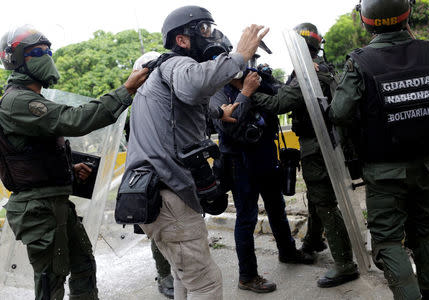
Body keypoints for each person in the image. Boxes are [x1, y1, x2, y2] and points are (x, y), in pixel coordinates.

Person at [125, 5, 268, 299]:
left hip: (154, 196)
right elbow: (193, 87)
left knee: (184, 278)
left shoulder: (158, 79)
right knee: (206, 283)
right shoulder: (174, 65)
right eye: (204, 29)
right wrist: (239, 55)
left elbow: (186, 109)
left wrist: (220, 112)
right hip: (168, 197)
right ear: (182, 39)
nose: (211, 35)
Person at [0, 25, 148, 300]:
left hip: (56, 202)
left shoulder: (32, 99)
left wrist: (69, 169)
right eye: (36, 52)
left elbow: (35, 151)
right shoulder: (18, 101)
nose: (46, 56)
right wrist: (126, 89)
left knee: (83, 266)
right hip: (39, 209)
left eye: (48, 50)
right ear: (17, 59)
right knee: (51, 283)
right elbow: (75, 120)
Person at [329, 1, 429, 299]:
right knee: (423, 231)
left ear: (365, 21)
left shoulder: (360, 61)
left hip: (384, 171)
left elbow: (340, 112)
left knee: (387, 242)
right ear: (406, 14)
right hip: (424, 164)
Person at [248, 23, 360, 288]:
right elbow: (287, 92)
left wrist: (249, 93)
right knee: (317, 196)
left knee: (324, 201)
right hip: (330, 143)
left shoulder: (309, 72)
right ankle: (312, 240)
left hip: (317, 145)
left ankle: (345, 264)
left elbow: (280, 104)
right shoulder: (324, 68)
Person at [210, 65, 315, 293]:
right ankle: (247, 276)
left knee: (277, 207)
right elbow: (229, 126)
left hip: (265, 155)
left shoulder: (257, 80)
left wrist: (293, 76)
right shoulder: (218, 92)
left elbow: (280, 99)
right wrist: (245, 92)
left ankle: (287, 251)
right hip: (240, 162)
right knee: (247, 218)